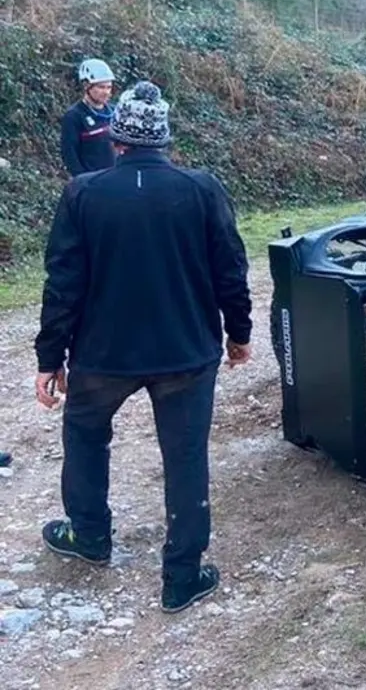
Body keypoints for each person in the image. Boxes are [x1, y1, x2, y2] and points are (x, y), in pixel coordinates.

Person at [33, 80, 253, 614]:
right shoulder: (202, 189)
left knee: (85, 435)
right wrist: (239, 333)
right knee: (185, 457)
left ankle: (89, 536)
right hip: (185, 354)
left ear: (117, 140)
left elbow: (63, 283)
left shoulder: (83, 193)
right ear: (165, 141)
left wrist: (50, 358)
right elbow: (231, 269)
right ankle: (182, 577)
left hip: (103, 355)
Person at [60, 59, 118, 177]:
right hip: (92, 182)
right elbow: (70, 154)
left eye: (109, 87)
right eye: (101, 87)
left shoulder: (115, 111)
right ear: (87, 86)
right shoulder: (74, 116)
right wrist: (82, 181)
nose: (106, 92)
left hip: (116, 179)